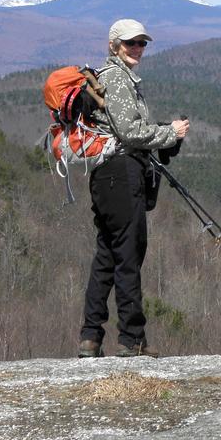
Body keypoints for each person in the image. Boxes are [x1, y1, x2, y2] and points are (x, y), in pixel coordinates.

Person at [77, 18, 189, 358]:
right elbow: (130, 132)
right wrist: (171, 133)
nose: (137, 48)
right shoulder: (116, 80)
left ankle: (90, 337)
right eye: (130, 43)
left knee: (107, 255)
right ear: (114, 45)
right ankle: (131, 340)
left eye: (142, 43)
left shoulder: (107, 79)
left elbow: (125, 128)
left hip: (106, 175)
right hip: (122, 175)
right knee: (128, 255)